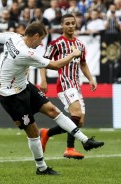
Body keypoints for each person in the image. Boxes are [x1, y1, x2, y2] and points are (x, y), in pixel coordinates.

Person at [0, 22, 104, 175]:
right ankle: (41, 168)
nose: (41, 43)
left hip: (25, 86)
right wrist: (73, 54)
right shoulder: (26, 53)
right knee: (33, 132)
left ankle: (85, 141)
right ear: (36, 36)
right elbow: (56, 65)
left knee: (52, 110)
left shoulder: (13, 37)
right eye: (41, 39)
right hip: (12, 97)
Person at [39, 14, 97, 160]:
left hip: (76, 85)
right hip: (64, 83)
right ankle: (70, 149)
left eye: (73, 23)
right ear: (62, 26)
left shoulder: (80, 44)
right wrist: (43, 80)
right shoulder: (56, 44)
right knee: (76, 114)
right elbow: (43, 61)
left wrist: (90, 79)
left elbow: (83, 63)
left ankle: (47, 133)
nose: (71, 26)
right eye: (68, 23)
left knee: (79, 121)